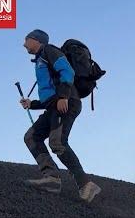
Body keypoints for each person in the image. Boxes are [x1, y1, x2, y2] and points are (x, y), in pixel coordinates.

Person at [20, 29, 101, 203]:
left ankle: (86, 185)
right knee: (31, 137)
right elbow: (49, 96)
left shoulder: (49, 50)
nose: (24, 43)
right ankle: (51, 179)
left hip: (67, 102)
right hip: (55, 105)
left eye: (26, 39)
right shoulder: (40, 59)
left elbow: (67, 71)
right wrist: (32, 104)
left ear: (36, 40)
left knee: (57, 142)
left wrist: (64, 96)